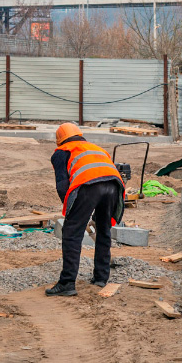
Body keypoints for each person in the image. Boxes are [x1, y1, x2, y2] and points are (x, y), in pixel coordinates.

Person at [45, 122, 125, 297]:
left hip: (88, 185)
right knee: (103, 231)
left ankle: (67, 283)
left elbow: (62, 185)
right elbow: (105, 172)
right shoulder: (95, 148)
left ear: (59, 141)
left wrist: (71, 212)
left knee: (71, 233)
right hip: (113, 185)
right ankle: (101, 278)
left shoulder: (62, 151)